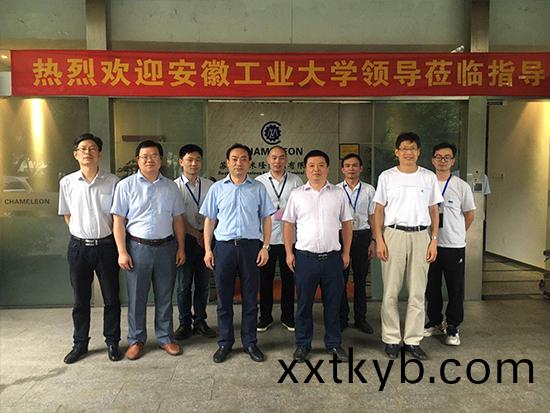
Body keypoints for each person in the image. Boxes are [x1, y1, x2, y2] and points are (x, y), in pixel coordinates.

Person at [200, 143, 275, 363]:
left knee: (251, 297)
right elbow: (210, 220)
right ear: (227, 162)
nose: (238, 163)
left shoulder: (258, 188)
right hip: (223, 248)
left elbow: (266, 218)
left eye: (243, 159)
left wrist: (265, 247)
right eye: (234, 159)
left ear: (249, 162)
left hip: (251, 247)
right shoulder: (217, 189)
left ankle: (250, 342)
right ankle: (225, 342)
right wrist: (208, 249)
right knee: (224, 298)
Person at [111, 140, 186, 360]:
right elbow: (118, 221)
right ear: (137, 160)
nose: (149, 160)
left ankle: (165, 338)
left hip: (166, 247)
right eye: (144, 156)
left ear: (161, 160)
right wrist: (122, 251)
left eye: (154, 156)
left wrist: (181, 248)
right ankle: (136, 340)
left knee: (165, 295)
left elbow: (178, 219)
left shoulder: (171, 187)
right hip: (137, 248)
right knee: (137, 297)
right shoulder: (125, 186)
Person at [373, 132, 443, 361]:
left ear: (418, 152)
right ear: (397, 152)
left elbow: (434, 210)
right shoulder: (387, 177)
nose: (408, 152)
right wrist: (379, 239)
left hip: (421, 236)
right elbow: (379, 210)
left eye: (412, 148)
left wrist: (434, 240)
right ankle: (392, 339)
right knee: (390, 292)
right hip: (393, 235)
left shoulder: (428, 177)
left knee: (417, 292)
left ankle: (413, 340)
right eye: (404, 148)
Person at [283, 150, 353, 363]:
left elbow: (347, 224)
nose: (316, 169)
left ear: (327, 168)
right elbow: (288, 224)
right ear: (305, 169)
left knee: (333, 304)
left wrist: (346, 252)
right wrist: (289, 252)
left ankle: (334, 344)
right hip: (305, 258)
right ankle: (303, 344)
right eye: (311, 165)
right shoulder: (297, 194)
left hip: (332, 258)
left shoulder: (338, 194)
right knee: (304, 304)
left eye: (321, 165)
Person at [58, 133, 121, 364]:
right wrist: (81, 232)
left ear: (99, 153)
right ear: (75, 154)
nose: (87, 152)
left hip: (107, 246)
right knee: (80, 300)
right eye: (83, 148)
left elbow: (117, 217)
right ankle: (80, 343)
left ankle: (112, 341)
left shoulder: (113, 182)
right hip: (79, 248)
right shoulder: (67, 183)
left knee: (111, 297)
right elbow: (67, 214)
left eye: (92, 148)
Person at [425, 143, 475, 346]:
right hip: (429, 245)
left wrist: (458, 232)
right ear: (432, 160)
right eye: (438, 157)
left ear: (453, 161)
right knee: (432, 287)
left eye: (447, 157)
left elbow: (469, 215)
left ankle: (453, 325)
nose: (442, 161)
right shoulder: (426, 183)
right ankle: (434, 321)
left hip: (454, 246)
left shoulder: (461, 186)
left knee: (455, 288)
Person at [255, 146, 303, 333]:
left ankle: (288, 316)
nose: (277, 161)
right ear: (268, 159)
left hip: (289, 239)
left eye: (281, 158)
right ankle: (265, 317)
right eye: (274, 158)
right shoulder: (259, 182)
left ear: (286, 160)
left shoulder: (295, 180)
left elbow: (301, 207)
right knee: (264, 280)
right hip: (265, 239)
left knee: (289, 279)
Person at [173, 144, 216, 340]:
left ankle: (200, 321)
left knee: (203, 284)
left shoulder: (210, 185)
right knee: (183, 285)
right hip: (184, 240)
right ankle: (184, 323)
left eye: (198, 160)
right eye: (189, 159)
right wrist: (195, 234)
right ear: (181, 162)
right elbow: (176, 217)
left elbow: (216, 213)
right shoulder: (174, 187)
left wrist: (205, 236)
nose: (194, 163)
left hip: (206, 240)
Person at [337, 153, 376, 334]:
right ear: (342, 169)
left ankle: (361, 319)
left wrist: (374, 240)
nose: (351, 169)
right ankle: (342, 318)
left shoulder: (369, 190)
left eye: (354, 165)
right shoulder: (336, 190)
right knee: (341, 279)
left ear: (360, 168)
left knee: (361, 280)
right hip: (341, 237)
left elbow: (373, 217)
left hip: (362, 237)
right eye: (347, 165)